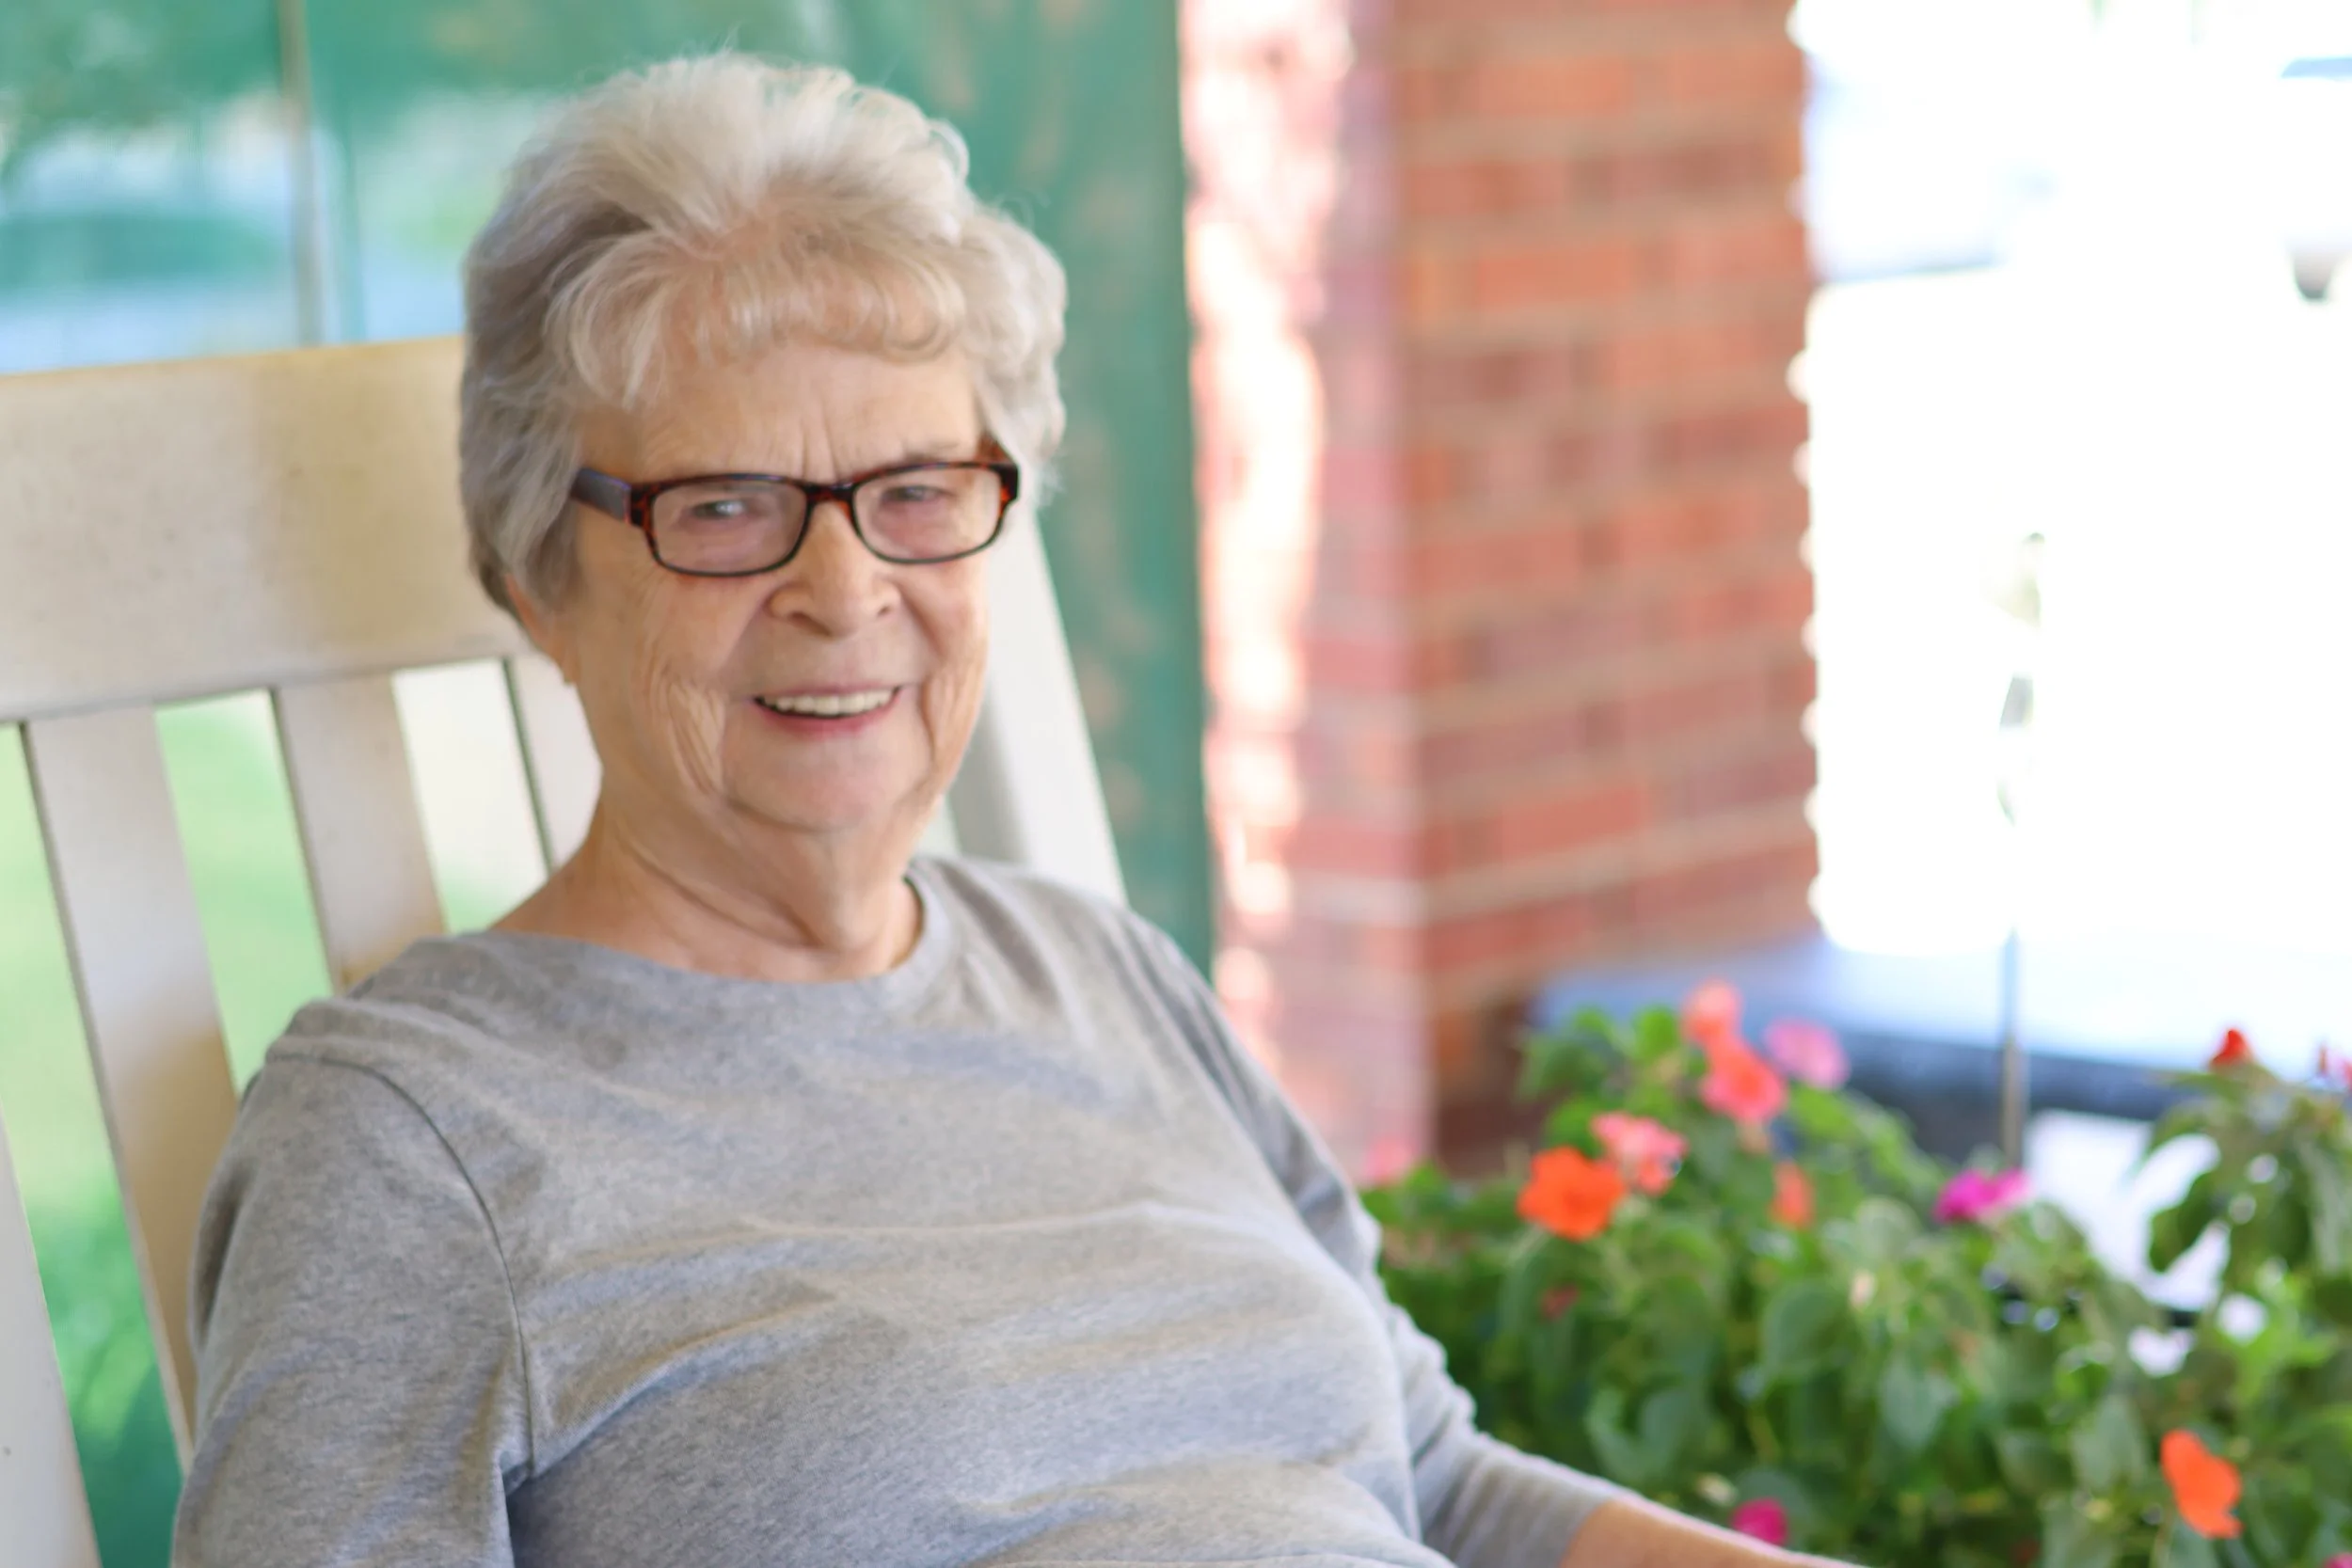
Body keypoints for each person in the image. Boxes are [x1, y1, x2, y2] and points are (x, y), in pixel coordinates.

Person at [173, 55, 1840, 1568]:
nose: (846, 589)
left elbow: (1437, 1479)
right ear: (544, 574)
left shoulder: (1101, 976)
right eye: (729, 507)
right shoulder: (411, 1143)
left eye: (915, 495)